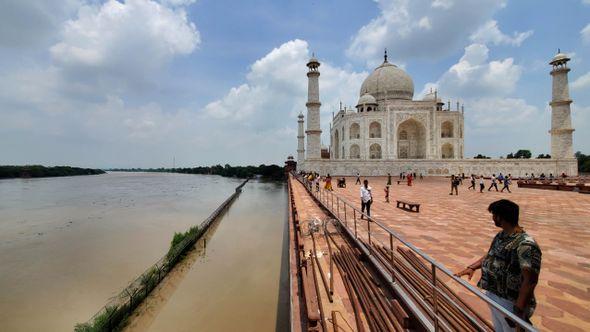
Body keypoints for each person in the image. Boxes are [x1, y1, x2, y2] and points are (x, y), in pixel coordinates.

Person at [455, 199, 541, 332]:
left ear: (501, 217)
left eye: (494, 215)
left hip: (510, 301)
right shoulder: (502, 235)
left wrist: (519, 309)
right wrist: (472, 267)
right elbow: (491, 255)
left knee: (511, 329)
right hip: (494, 292)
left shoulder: (525, 244)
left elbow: (530, 281)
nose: (493, 218)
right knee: (500, 327)